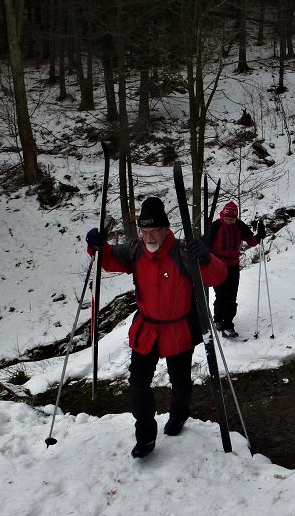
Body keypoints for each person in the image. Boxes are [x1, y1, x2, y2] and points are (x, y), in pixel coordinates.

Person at [85, 196, 227, 459]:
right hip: (147, 330)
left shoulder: (184, 253)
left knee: (180, 381)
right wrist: (96, 246)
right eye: (144, 232)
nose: (149, 237)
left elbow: (218, 276)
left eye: (154, 232)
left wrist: (206, 259)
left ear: (165, 230)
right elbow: (108, 258)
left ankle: (179, 416)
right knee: (137, 383)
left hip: (177, 330)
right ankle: (146, 436)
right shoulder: (135, 250)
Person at [204, 201, 265, 338]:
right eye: (227, 219)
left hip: (233, 266)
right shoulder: (216, 226)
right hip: (217, 265)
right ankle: (218, 319)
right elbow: (206, 245)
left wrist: (260, 234)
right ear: (223, 216)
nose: (230, 222)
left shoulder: (239, 226)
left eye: (232, 219)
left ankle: (228, 324)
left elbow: (252, 241)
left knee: (231, 295)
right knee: (220, 294)